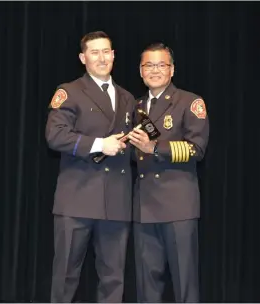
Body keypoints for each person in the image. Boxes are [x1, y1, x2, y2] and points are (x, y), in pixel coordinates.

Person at [45, 31, 135, 303]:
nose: (102, 58)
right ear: (83, 58)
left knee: (113, 277)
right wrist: (99, 144)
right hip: (78, 198)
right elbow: (55, 136)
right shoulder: (69, 92)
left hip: (116, 199)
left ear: (114, 55)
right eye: (94, 52)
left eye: (106, 51)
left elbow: (128, 145)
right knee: (66, 275)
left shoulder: (128, 98)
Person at [128, 43, 210, 302]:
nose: (155, 71)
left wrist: (155, 147)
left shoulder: (190, 101)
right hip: (143, 206)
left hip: (178, 206)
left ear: (172, 69)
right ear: (140, 71)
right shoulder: (135, 106)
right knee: (147, 285)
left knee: (184, 284)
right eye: (148, 65)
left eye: (161, 65)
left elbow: (196, 149)